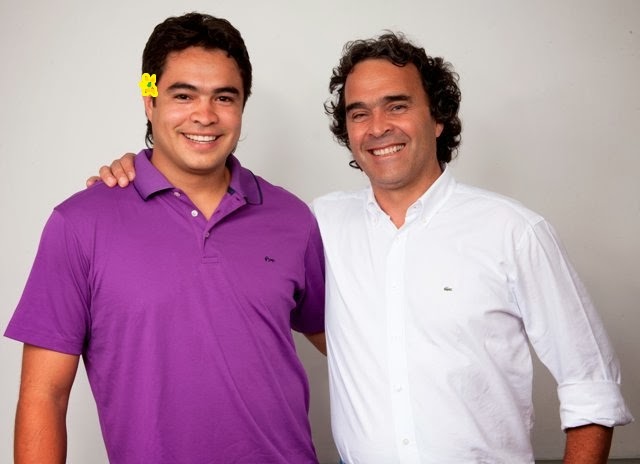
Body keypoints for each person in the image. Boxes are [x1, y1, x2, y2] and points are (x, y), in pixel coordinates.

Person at [91, 33, 633, 463]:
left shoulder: (514, 232)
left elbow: (591, 387)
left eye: (397, 105)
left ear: (437, 117)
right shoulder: (314, 224)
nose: (378, 128)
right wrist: (140, 171)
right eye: (358, 113)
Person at [5, 13, 325, 464]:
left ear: (242, 106)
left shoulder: (292, 218)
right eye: (183, 95)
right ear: (149, 101)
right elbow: (44, 397)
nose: (205, 115)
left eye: (224, 97)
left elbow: (351, 344)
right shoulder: (79, 224)